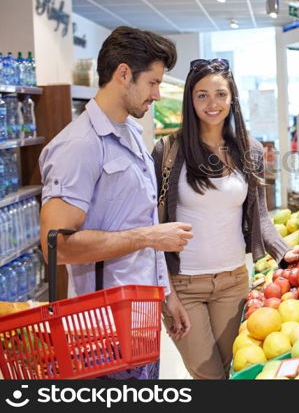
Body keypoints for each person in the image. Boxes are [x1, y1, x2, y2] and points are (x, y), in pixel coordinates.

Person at [39, 26, 194, 380]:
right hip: (101, 332)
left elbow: (135, 221)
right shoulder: (79, 145)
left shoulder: (131, 134)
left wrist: (166, 296)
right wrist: (149, 237)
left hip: (140, 320)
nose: (157, 94)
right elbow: (55, 246)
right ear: (124, 73)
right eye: (153, 82)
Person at [153, 58, 289, 380]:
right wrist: (166, 292)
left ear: (232, 98)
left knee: (237, 371)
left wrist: (286, 253)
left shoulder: (249, 150)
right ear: (190, 99)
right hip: (184, 285)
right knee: (208, 376)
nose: (212, 104)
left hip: (233, 281)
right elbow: (152, 227)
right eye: (202, 95)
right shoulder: (168, 152)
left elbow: (261, 218)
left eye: (220, 94)